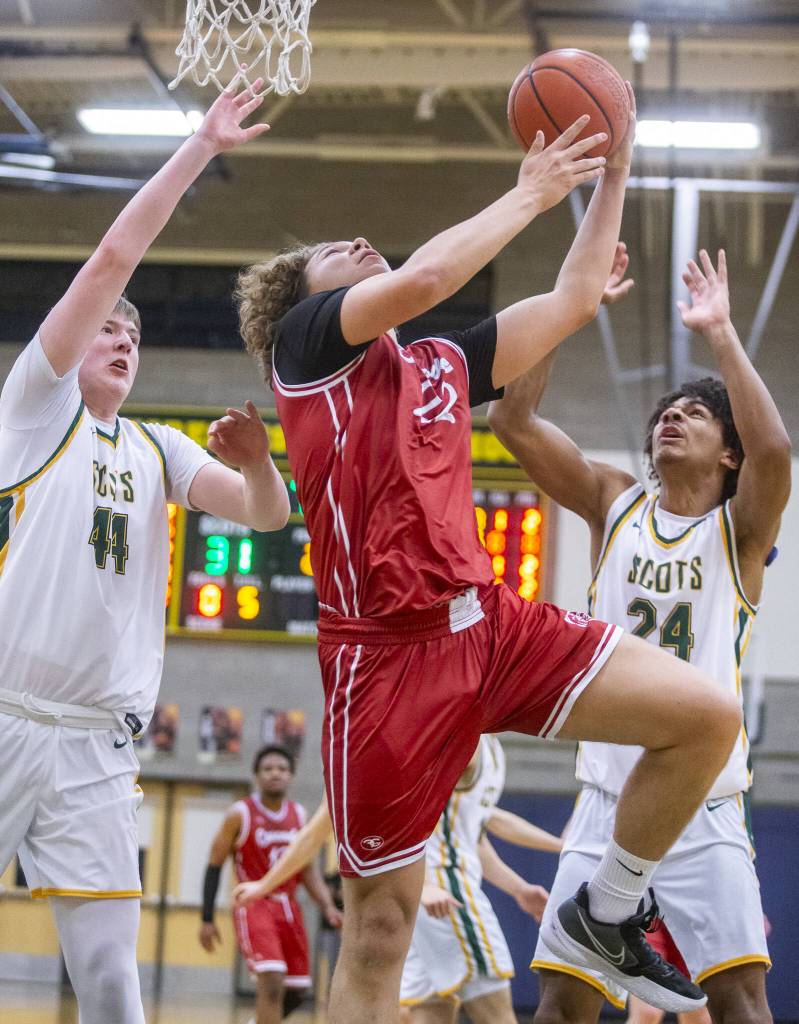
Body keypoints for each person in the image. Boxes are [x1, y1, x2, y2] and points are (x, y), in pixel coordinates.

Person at [236, 83, 741, 1020]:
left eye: (354, 242)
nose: (351, 244)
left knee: (706, 717)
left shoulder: (436, 365)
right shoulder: (305, 354)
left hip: (492, 625)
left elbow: (578, 294)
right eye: (326, 256)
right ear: (302, 302)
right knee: (381, 931)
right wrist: (533, 189)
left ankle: (611, 910)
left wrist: (613, 164)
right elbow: (425, 280)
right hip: (383, 660)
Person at [0, 79, 288, 1024]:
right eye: (106, 328)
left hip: (97, 744)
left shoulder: (158, 447)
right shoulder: (35, 406)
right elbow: (117, 253)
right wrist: (202, 144)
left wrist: (260, 464)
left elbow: (266, 519)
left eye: (132, 333)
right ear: (71, 344)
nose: (120, 337)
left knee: (116, 985)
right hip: (5, 713)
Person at [488, 247, 790, 1024]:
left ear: (727, 454)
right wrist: (567, 310)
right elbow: (509, 420)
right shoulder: (612, 502)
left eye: (693, 413)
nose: (670, 416)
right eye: (665, 412)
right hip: (605, 796)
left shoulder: (741, 531)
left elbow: (777, 452)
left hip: (704, 799)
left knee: (738, 998)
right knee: (561, 1001)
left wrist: (720, 332)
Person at [233, 736, 563, 1024]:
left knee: (429, 1014)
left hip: (431, 901)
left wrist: (520, 885)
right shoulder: (431, 736)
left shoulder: (489, 747)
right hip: (446, 899)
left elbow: (473, 831)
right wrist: (265, 885)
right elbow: (328, 825)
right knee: (497, 1016)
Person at [199, 744, 341, 1022]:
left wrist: (327, 907)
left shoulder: (299, 814)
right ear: (256, 775)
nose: (275, 774)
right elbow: (214, 865)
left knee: (298, 991)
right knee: (273, 979)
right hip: (254, 904)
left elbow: (307, 869)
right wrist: (206, 918)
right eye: (268, 769)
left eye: (282, 769)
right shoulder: (239, 814)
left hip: (289, 907)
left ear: (291, 776)